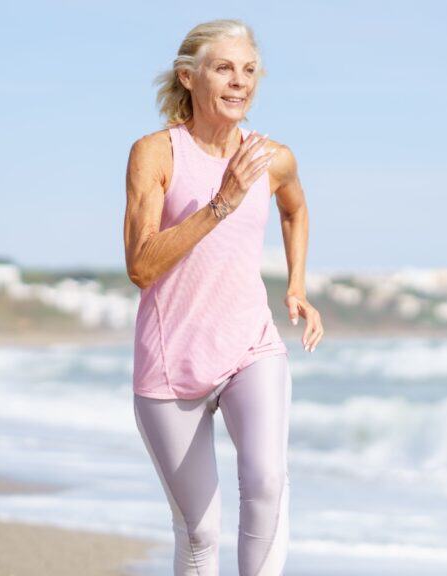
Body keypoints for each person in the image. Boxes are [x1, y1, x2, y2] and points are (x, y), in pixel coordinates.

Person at [122, 18, 324, 576]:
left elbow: (295, 209)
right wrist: (221, 202)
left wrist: (298, 285)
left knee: (266, 481)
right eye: (224, 68)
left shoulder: (272, 157)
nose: (240, 82)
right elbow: (141, 266)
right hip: (171, 362)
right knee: (200, 533)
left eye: (249, 70)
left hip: (249, 346)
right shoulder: (156, 153)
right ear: (188, 77)